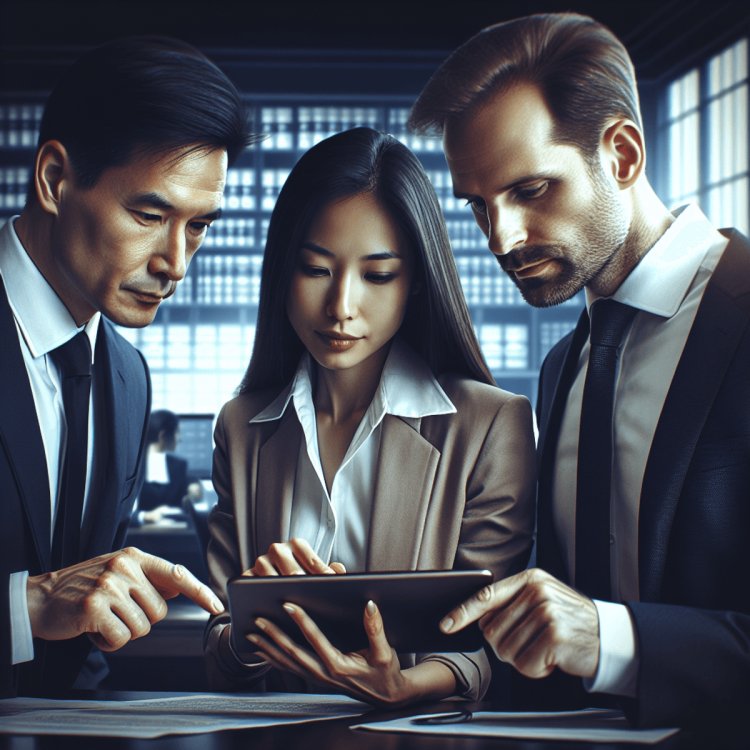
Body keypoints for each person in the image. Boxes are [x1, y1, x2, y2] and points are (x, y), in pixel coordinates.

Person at [408, 11, 750, 730]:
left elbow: (591, 630)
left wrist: (616, 640)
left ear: (622, 154)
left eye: (530, 191)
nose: (501, 238)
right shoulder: (566, 364)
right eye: (479, 205)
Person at [205, 127, 536, 707]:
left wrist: (401, 686)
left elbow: (488, 641)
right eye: (315, 269)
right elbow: (220, 642)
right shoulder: (242, 427)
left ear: (414, 284)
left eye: (378, 275)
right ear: (281, 273)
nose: (341, 307)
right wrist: (252, 635)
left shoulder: (488, 425)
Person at [0, 35, 255, 696]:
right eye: (149, 214)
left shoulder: (126, 379)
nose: (176, 263)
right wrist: (24, 610)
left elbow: (80, 644)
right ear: (56, 181)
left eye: (199, 226)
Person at [137, 409, 203, 519]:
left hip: (175, 531)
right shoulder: (135, 466)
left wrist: (194, 488)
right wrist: (145, 516)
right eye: (177, 432)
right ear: (162, 435)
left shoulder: (179, 465)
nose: (179, 438)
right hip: (139, 532)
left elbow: (189, 483)